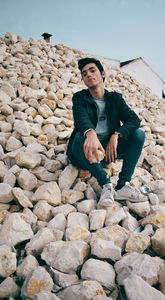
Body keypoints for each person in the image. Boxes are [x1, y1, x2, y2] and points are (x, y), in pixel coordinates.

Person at [67, 57, 145, 207]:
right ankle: (106, 185)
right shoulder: (79, 98)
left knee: (139, 135)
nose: (88, 75)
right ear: (84, 80)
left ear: (102, 74)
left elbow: (134, 119)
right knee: (78, 138)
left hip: (106, 152)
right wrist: (90, 133)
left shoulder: (115, 98)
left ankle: (123, 185)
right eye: (84, 74)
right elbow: (81, 120)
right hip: (83, 153)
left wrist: (117, 134)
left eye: (92, 70)